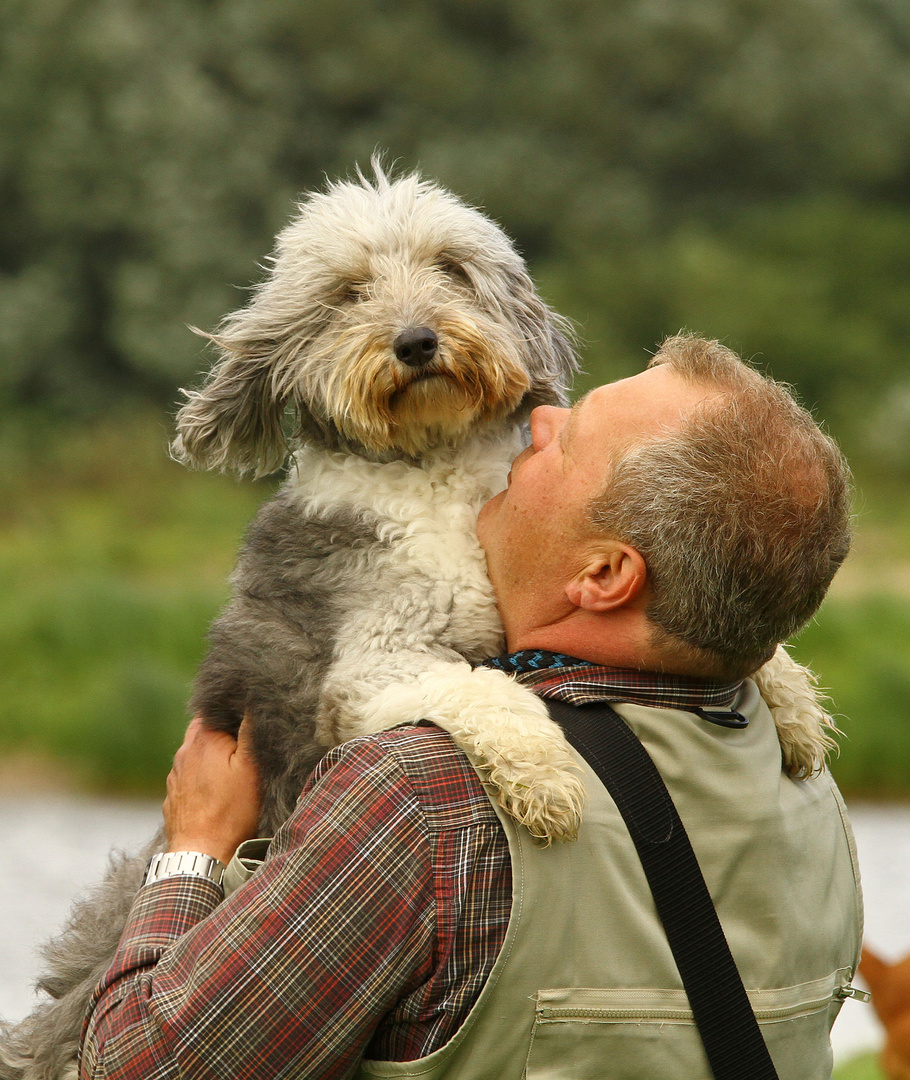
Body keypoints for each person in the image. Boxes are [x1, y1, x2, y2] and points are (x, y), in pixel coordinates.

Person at [79, 334, 861, 1080]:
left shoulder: (418, 800)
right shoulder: (805, 787)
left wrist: (193, 851)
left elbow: (138, 1068)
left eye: (570, 441)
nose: (537, 414)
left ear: (605, 575)